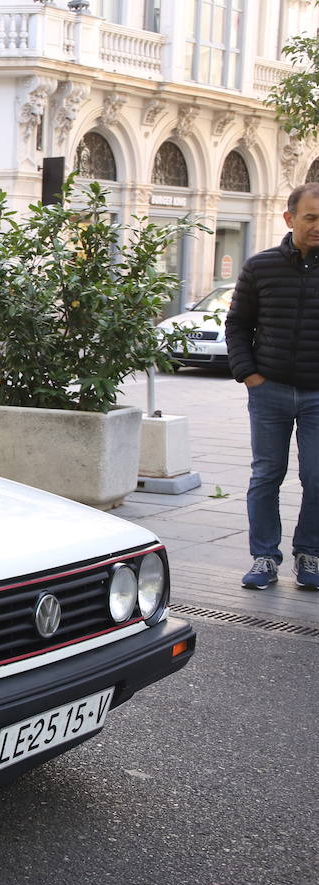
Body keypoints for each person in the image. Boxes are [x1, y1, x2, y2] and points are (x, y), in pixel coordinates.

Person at [226, 182, 319, 590]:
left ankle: (310, 554)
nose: (318, 226)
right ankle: (264, 556)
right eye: (311, 217)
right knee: (266, 475)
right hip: (270, 392)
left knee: (317, 478)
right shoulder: (260, 267)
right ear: (290, 218)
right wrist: (251, 376)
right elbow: (237, 326)